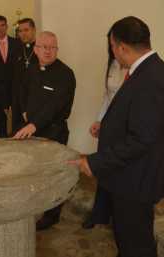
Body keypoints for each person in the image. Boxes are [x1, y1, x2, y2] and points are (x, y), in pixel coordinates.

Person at [69, 16, 164, 257]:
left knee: (136, 243)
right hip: (131, 175)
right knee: (128, 237)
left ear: (121, 47)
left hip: (135, 180)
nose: (113, 52)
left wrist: (93, 162)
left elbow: (143, 138)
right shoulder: (147, 70)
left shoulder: (149, 78)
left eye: (112, 46)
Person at [14, 31, 76, 230]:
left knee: (53, 177)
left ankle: (52, 215)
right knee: (33, 172)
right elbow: (22, 91)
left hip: (54, 133)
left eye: (53, 47)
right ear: (36, 49)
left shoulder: (66, 74)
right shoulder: (30, 69)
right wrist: (24, 111)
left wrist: (32, 125)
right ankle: (35, 204)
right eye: (44, 47)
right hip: (32, 131)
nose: (48, 51)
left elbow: (55, 106)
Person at [82, 35, 128, 229]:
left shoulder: (139, 71)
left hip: (127, 130)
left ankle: (120, 218)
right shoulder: (113, 65)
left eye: (115, 44)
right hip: (109, 126)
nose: (113, 49)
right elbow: (108, 97)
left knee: (122, 175)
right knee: (105, 171)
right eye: (111, 45)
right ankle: (100, 213)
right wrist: (99, 121)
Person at [12, 18, 38, 133]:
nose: (23, 33)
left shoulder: (41, 49)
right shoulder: (15, 49)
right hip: (18, 101)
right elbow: (12, 77)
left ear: (34, 30)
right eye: (20, 31)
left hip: (35, 99)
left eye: (26, 30)